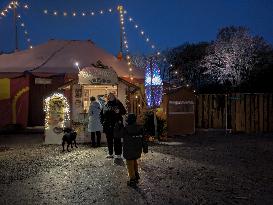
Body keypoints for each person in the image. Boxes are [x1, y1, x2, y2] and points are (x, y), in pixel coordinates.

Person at [121, 113, 148, 187]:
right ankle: (136, 175)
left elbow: (117, 134)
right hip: (137, 149)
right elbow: (144, 139)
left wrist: (118, 125)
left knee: (130, 163)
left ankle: (132, 179)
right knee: (134, 160)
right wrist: (145, 149)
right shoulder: (140, 128)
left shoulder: (125, 129)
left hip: (128, 150)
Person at [101, 93, 126, 158]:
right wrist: (102, 122)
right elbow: (102, 114)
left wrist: (119, 111)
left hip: (116, 125)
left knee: (117, 139)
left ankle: (118, 154)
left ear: (114, 97)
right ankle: (110, 153)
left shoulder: (118, 103)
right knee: (109, 140)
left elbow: (124, 111)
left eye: (112, 96)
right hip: (107, 125)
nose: (110, 97)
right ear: (108, 98)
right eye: (109, 96)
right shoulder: (106, 104)